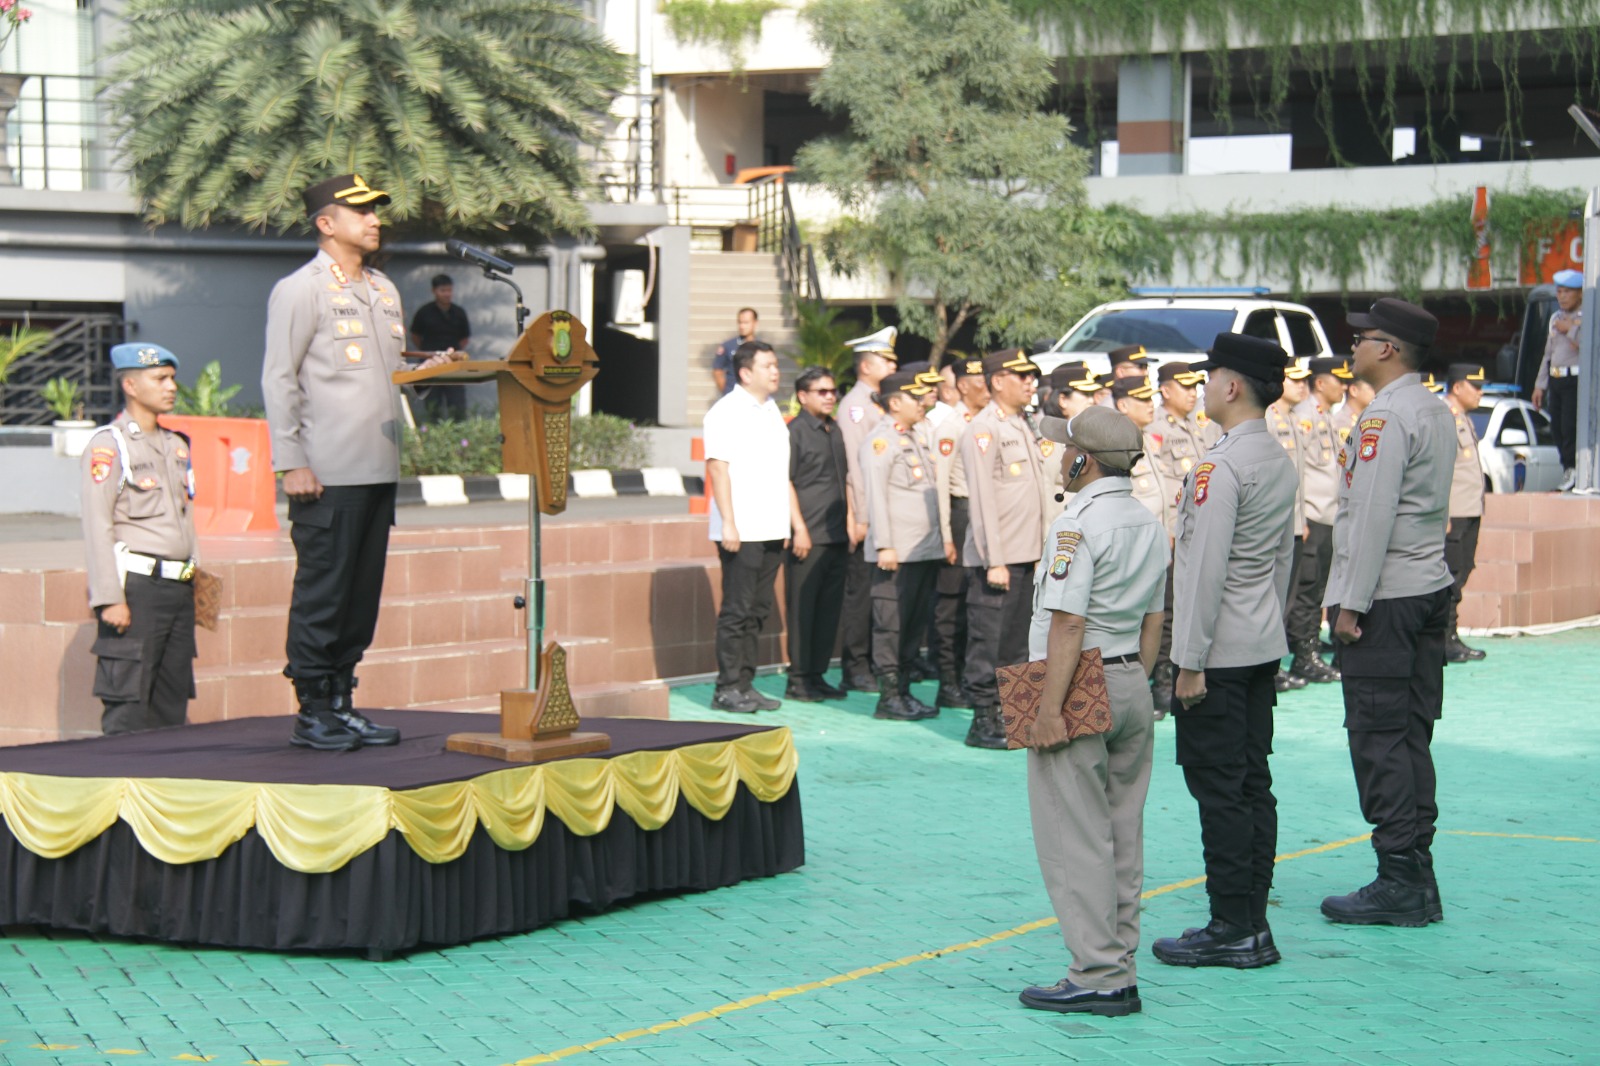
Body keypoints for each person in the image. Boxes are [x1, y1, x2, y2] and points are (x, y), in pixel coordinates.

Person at [263, 173, 461, 751]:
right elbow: (278, 378)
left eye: (376, 210)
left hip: (378, 466)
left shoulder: (382, 289)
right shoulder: (300, 290)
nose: (376, 220)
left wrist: (426, 374)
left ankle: (342, 702)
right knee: (324, 594)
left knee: (359, 597)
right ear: (327, 224)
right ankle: (312, 710)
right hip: (328, 471)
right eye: (362, 212)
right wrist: (291, 461)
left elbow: (388, 375)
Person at [1150, 333, 1297, 968]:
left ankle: (1232, 925)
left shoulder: (1221, 465)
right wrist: (1270, 629)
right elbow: (1282, 561)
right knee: (1252, 784)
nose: (1204, 386)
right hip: (1258, 643)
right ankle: (1251, 920)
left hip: (1216, 656)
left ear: (1232, 386)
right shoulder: (1277, 458)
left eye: (1210, 376)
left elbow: (1202, 572)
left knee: (1220, 791)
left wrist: (1188, 662)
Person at [1017, 406, 1166, 1018]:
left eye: (1065, 449)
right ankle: (1119, 966)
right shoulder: (1148, 520)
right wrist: (1136, 683)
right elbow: (1155, 618)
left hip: (1078, 680)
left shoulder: (1076, 524)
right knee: (1122, 833)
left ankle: (1097, 974)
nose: (1058, 457)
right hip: (1130, 675)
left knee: (1072, 835)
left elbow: (1068, 622)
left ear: (1084, 460)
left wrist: (1049, 708)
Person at [1321, 297, 1455, 928]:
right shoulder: (1432, 407)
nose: (1354, 347)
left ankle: (1400, 877)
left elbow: (1371, 515)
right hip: (1425, 585)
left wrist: (1351, 603)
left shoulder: (1386, 415)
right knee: (1410, 733)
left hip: (1388, 595)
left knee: (1378, 737)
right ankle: (1416, 874)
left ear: (1389, 349)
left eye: (1363, 337)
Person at [81, 342, 199, 736]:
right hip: (137, 590)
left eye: (172, 378)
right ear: (130, 385)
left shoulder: (176, 445)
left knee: (171, 704)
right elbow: (97, 523)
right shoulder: (109, 445)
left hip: (178, 589)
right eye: (160, 378)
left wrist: (196, 579)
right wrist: (109, 597)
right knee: (128, 706)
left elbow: (186, 519)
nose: (171, 387)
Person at [961, 348, 1051, 749]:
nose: (1030, 382)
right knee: (988, 641)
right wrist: (993, 560)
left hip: (1027, 553)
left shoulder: (1024, 423)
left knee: (1017, 641)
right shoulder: (984, 428)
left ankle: (1014, 717)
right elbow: (982, 500)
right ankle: (983, 720)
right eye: (1022, 376)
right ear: (998, 381)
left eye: (1032, 376)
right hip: (997, 559)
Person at [704, 341, 791, 713]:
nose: (775, 371)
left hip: (771, 526)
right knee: (737, 611)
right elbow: (718, 468)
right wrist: (729, 523)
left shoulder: (770, 409)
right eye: (767, 365)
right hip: (741, 529)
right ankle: (726, 688)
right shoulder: (726, 411)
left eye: (775, 365)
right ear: (745, 372)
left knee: (758, 610)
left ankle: (745, 683)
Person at [863, 371, 943, 720]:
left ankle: (905, 691)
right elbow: (876, 496)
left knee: (912, 624)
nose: (922, 402)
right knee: (891, 625)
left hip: (921, 549)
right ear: (895, 402)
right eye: (915, 397)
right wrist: (884, 545)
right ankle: (889, 696)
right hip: (896, 551)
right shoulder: (881, 441)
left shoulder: (915, 436)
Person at [1148, 360, 1218, 705]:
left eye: (1195, 387)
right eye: (1185, 387)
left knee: (1192, 604)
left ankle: (1185, 670)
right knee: (1168, 608)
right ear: (1165, 390)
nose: (1193, 393)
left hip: (1198, 530)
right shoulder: (1155, 427)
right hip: (1174, 532)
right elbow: (1158, 488)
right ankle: (1163, 678)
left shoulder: (1200, 424)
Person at [785, 366, 852, 702]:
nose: (830, 397)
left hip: (837, 534)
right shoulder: (795, 432)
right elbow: (786, 481)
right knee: (803, 609)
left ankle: (817, 674)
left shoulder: (834, 429)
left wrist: (851, 520)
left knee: (828, 611)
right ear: (803, 396)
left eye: (832, 391)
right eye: (821, 392)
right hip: (808, 535)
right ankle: (798, 679)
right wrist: (798, 527)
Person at [837, 327, 899, 691]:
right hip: (867, 514)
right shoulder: (856, 406)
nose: (893, 365)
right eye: (885, 360)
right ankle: (855, 666)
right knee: (860, 594)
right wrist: (860, 515)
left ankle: (875, 662)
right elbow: (854, 466)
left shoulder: (878, 402)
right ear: (865, 365)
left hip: (885, 513)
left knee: (880, 594)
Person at [931, 354, 990, 710]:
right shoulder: (952, 426)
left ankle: (969, 678)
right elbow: (940, 485)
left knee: (975, 603)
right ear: (963, 386)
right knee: (950, 604)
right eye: (981, 382)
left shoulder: (988, 421)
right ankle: (948, 682)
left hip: (982, 516)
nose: (987, 387)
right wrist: (945, 536)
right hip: (959, 514)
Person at [1284, 357, 1346, 685]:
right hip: (1310, 515)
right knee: (1306, 590)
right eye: (1295, 380)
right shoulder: (1302, 416)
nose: (1345, 386)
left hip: (1326, 515)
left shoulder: (1322, 415)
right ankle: (1303, 656)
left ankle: (1309, 652)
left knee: (1316, 589)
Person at [1265, 364, 1312, 694]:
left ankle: (1276, 664)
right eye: (1294, 380)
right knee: (1272, 600)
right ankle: (1268, 666)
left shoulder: (1292, 419)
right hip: (1276, 525)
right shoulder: (1269, 419)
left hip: (1293, 522)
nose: (1302, 386)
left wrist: (1302, 519)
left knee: (1286, 599)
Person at [1443, 364, 1489, 663]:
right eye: (1476, 387)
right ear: (1457, 387)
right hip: (1454, 513)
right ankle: (1444, 637)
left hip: (1469, 509)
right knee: (1450, 574)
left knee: (1461, 571)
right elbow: (1440, 470)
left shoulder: (1463, 418)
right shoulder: (1445, 418)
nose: (1480, 393)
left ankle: (1450, 634)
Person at [1531, 268, 1583, 488]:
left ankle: (1574, 470)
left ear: (1580, 293)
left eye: (1567, 292)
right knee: (1557, 428)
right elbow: (1548, 355)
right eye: (1559, 292)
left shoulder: (1586, 317)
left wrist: (1570, 329)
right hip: (1556, 379)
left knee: (1570, 427)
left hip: (1575, 380)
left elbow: (1586, 345)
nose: (1562, 296)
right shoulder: (1555, 318)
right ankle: (1567, 469)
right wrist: (1539, 386)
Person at [1112, 378, 1173, 554]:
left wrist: (1166, 529)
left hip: (1155, 539)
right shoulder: (1117, 444)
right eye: (1143, 399)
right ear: (1123, 405)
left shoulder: (1145, 437)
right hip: (1135, 544)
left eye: (1151, 398)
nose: (1150, 404)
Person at [407, 273, 472, 420]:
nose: (447, 294)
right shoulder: (424, 312)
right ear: (434, 291)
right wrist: (428, 353)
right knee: (432, 405)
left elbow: (464, 338)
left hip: (453, 365)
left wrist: (451, 354)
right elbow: (415, 335)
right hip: (431, 363)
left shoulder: (459, 312)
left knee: (457, 405)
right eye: (443, 291)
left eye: (449, 290)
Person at [711, 307, 761, 397]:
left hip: (755, 395)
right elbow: (717, 370)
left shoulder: (761, 348)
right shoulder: (728, 346)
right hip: (733, 393)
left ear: (755, 323)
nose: (742, 326)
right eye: (740, 322)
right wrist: (726, 391)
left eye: (746, 323)